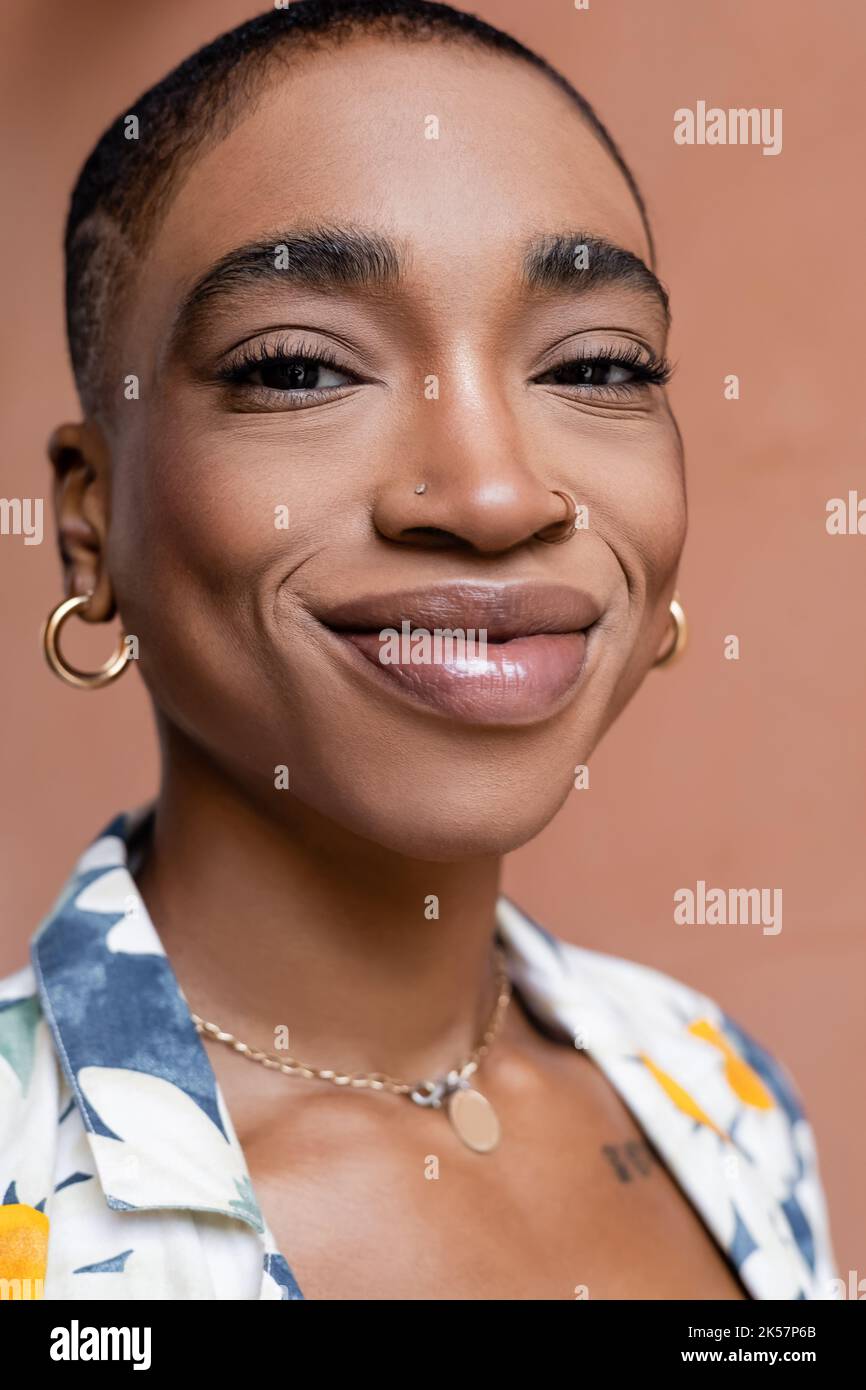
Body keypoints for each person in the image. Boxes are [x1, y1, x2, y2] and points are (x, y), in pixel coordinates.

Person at [0, 0, 837, 1301]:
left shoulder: (715, 1086)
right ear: (90, 522)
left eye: (597, 368)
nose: (494, 496)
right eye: (298, 369)